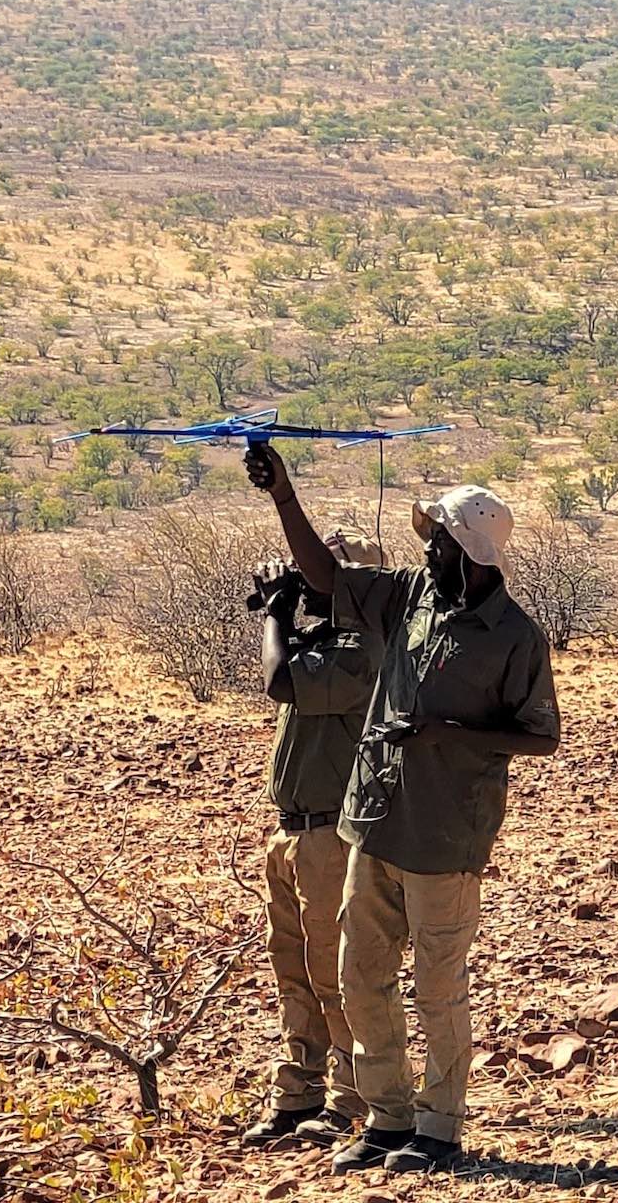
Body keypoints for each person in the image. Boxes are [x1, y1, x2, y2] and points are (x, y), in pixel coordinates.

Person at [243, 441, 559, 1177]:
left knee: (439, 991)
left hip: (445, 836)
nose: (429, 550)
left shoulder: (515, 637)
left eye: (440, 542)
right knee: (360, 975)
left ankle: (440, 1128)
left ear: (471, 554)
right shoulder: (412, 595)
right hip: (373, 821)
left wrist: (449, 734)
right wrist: (283, 494)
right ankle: (387, 1118)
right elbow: (328, 578)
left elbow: (540, 736)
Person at [241, 531, 384, 1150]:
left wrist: (277, 612)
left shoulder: (362, 650)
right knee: (292, 970)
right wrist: (289, 609)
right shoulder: (325, 643)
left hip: (331, 834)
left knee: (334, 971)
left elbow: (280, 679)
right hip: (292, 832)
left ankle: (351, 1097)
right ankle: (297, 1092)